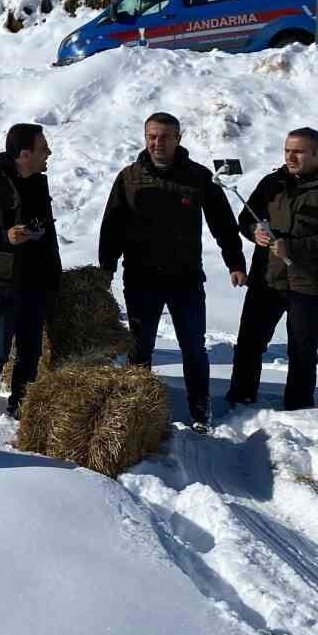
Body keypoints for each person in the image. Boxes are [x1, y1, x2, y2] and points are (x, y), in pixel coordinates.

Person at [98, 112, 248, 431]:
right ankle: (137, 410)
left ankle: (199, 410)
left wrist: (235, 263)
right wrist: (106, 268)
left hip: (186, 279)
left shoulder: (198, 176)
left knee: (193, 347)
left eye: (165, 136)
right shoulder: (129, 177)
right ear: (145, 138)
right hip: (141, 278)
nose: (158, 142)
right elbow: (112, 226)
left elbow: (222, 222)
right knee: (140, 348)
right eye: (152, 136)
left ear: (178, 138)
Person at [226, 127, 318, 411]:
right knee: (249, 343)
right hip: (267, 278)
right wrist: (254, 233)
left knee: (301, 350)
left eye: (298, 151)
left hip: (308, 282)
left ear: (317, 154)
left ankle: (298, 407)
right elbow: (244, 217)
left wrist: (294, 248)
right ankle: (240, 398)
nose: (290, 156)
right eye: (287, 150)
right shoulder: (271, 182)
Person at [0, 123, 62, 417]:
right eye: (44, 149)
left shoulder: (38, 182)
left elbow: (49, 229)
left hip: (35, 277)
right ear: (24, 154)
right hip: (0, 279)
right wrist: (4, 236)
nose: (49, 154)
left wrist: (53, 272)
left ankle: (21, 403)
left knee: (32, 349)